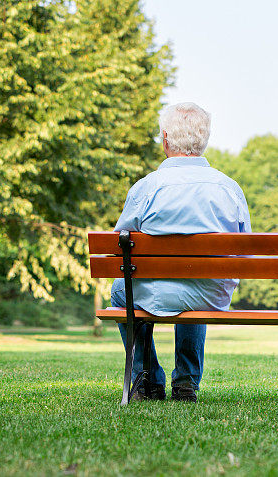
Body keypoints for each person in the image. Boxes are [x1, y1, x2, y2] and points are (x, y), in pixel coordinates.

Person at [110, 102, 251, 403]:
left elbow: (117, 245)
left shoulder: (147, 187)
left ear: (165, 138)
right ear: (204, 139)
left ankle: (146, 380)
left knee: (121, 291)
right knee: (198, 280)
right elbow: (244, 249)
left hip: (154, 290)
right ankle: (186, 383)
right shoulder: (228, 188)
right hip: (208, 293)